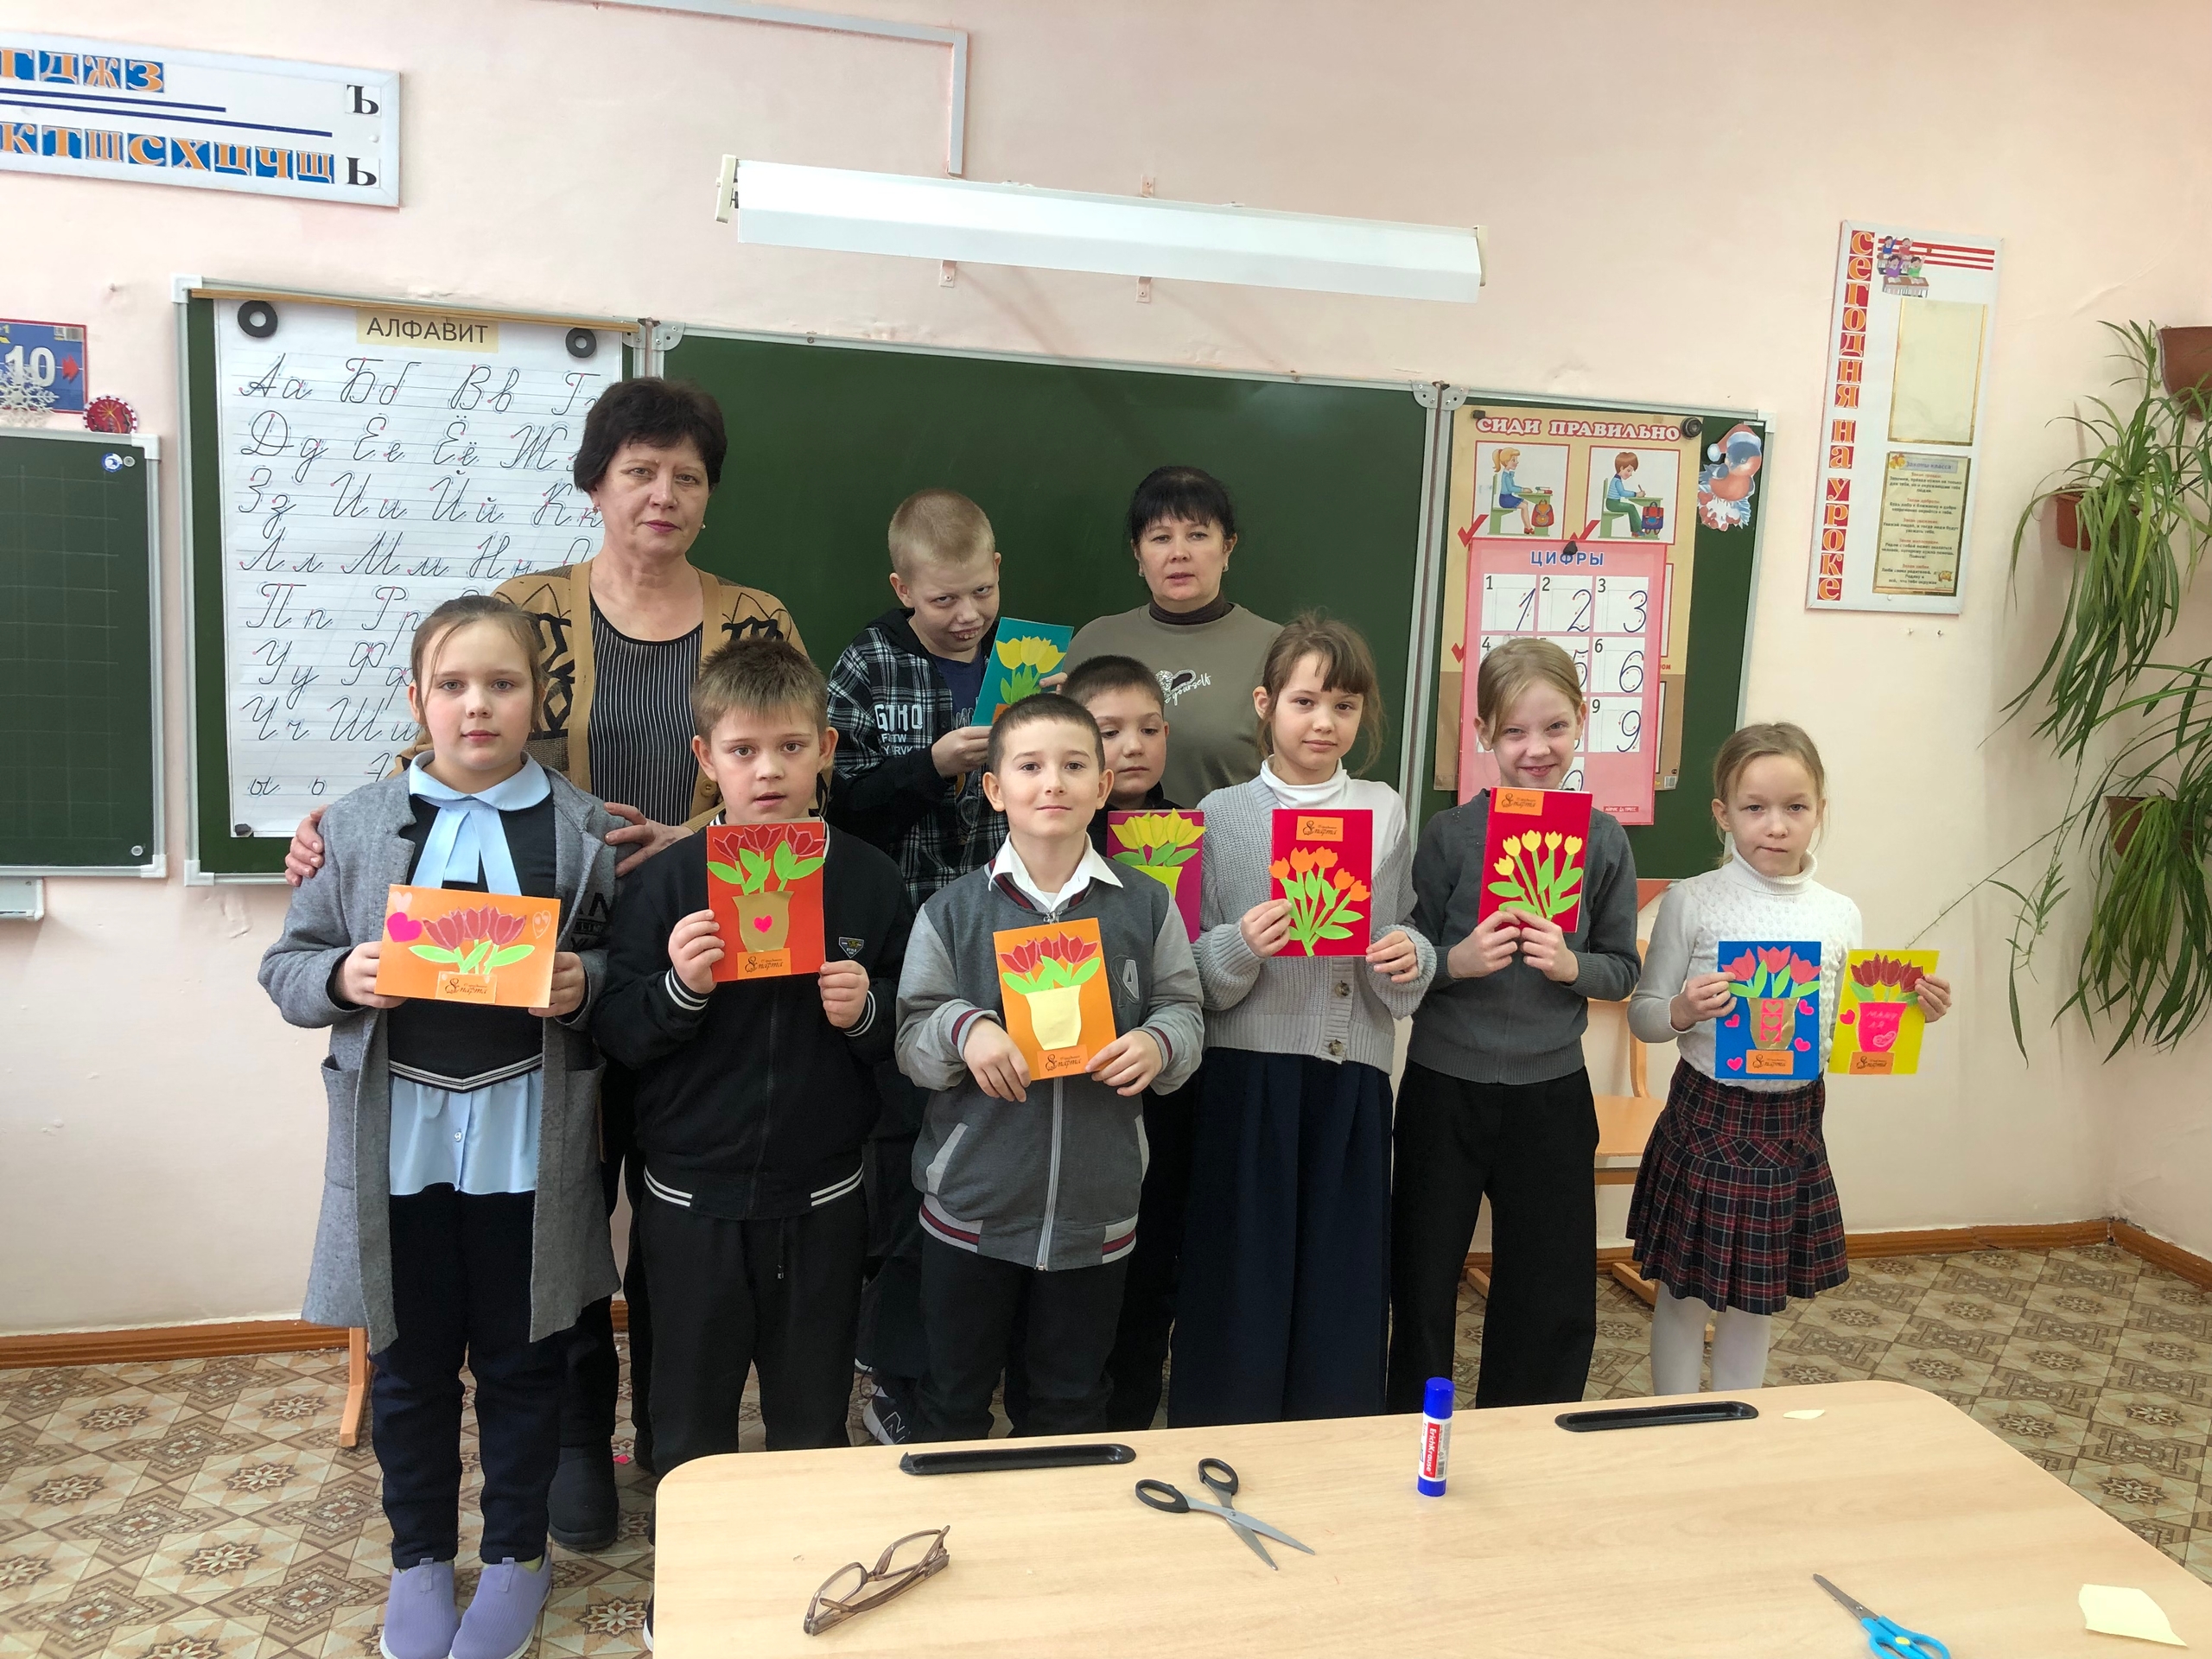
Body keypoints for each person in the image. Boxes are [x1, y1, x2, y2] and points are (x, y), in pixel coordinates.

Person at [282, 378, 804, 1548]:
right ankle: (575, 1434)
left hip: (698, 939)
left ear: (708, 496)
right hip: (543, 949)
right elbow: (448, 743)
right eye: (639, 472)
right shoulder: (531, 607)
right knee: (560, 1195)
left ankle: (668, 1429)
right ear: (595, 484)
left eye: (686, 476)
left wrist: (689, 842)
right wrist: (331, 827)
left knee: (666, 1199)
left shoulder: (756, 617)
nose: (662, 495)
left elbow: (780, 758)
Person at [257, 595, 621, 1659]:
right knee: (410, 1368)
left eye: (502, 684)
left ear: (539, 700)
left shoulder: (586, 831)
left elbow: (626, 963)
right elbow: (285, 966)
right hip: (397, 1145)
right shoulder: (354, 825)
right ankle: (417, 1559)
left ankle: (515, 1557)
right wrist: (341, 974)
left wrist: (586, 982)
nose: (477, 706)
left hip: (526, 1138)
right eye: (453, 686)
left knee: (523, 1360)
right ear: (417, 698)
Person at [591, 637, 910, 1649]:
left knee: (810, 1410)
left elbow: (910, 1041)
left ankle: (802, 1578)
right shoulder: (663, 885)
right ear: (706, 757)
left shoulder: (868, 882)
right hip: (690, 1205)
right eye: (742, 751)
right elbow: (619, 1034)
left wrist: (868, 1012)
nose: (767, 771)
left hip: (823, 1202)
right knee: (686, 1419)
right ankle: (693, 1586)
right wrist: (678, 988)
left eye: (789, 748)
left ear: (826, 749)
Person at [893, 694, 1204, 1440]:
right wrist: (964, 1030)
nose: (1053, 783)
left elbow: (1185, 1010)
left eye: (1074, 766)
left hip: (1095, 1216)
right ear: (995, 788)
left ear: (1103, 786)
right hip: (971, 1210)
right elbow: (911, 1040)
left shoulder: (1147, 906)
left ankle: (1057, 1518)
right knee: (953, 1402)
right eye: (1030, 767)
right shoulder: (952, 912)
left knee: (1070, 1404)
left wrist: (1158, 1044)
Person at [1626, 723, 1954, 1394]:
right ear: (1723, 814)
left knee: (1755, 1298)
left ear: (1819, 812)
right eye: (1755, 807)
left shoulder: (1840, 914)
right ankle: (1670, 1423)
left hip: (1793, 1124)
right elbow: (1644, 1015)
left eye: (1795, 807)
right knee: (1685, 1293)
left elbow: (1845, 1026)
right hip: (1708, 1117)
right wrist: (1682, 1009)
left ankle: (1740, 1420)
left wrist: (1908, 1012)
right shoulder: (1693, 900)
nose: (1775, 826)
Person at [1170, 615, 1434, 1426]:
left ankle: (1331, 1433)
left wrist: (1411, 956)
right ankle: (1229, 1425)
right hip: (1247, 1075)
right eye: (1306, 701)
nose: (1325, 723)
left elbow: (1406, 931)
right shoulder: (1218, 814)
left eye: (1345, 706)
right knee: (1241, 1270)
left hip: (1350, 1073)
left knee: (1340, 1273)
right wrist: (1241, 944)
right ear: (1266, 705)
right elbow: (1190, 971)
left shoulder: (1385, 810)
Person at [1387, 639, 1642, 1412]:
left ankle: (1528, 1423)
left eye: (1555, 727)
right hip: (1444, 1086)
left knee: (1549, 1282)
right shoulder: (1449, 835)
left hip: (1550, 1090)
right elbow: (1406, 956)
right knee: (1423, 1272)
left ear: (1582, 722)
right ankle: (1412, 1424)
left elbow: (1622, 969)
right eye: (1515, 733)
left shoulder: (1604, 839)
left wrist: (1571, 967)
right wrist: (1455, 960)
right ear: (1483, 735)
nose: (1537, 749)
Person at [824, 488, 1010, 1444]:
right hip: (904, 953)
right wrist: (930, 765)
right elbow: (836, 805)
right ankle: (895, 1375)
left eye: (980, 592)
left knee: (993, 1158)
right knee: (904, 1176)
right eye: (942, 600)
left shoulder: (1028, 659)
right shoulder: (867, 663)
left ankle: (975, 1367)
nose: (966, 615)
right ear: (903, 589)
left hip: (1016, 949)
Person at [1062, 655, 1196, 1428]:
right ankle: (1062, 1399)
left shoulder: (1192, 832)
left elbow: (1192, 977)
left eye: (1149, 728)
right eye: (1109, 732)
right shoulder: (1048, 832)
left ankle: (1133, 1407)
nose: (1133, 746)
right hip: (1063, 1092)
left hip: (1161, 1082)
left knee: (1152, 1250)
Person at [1066, 466, 1280, 807]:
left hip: (1238, 839)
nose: (1179, 553)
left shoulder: (1279, 650)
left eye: (1197, 535)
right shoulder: (1093, 643)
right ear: (1138, 554)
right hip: (1104, 841)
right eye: (1161, 538)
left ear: (1227, 547)